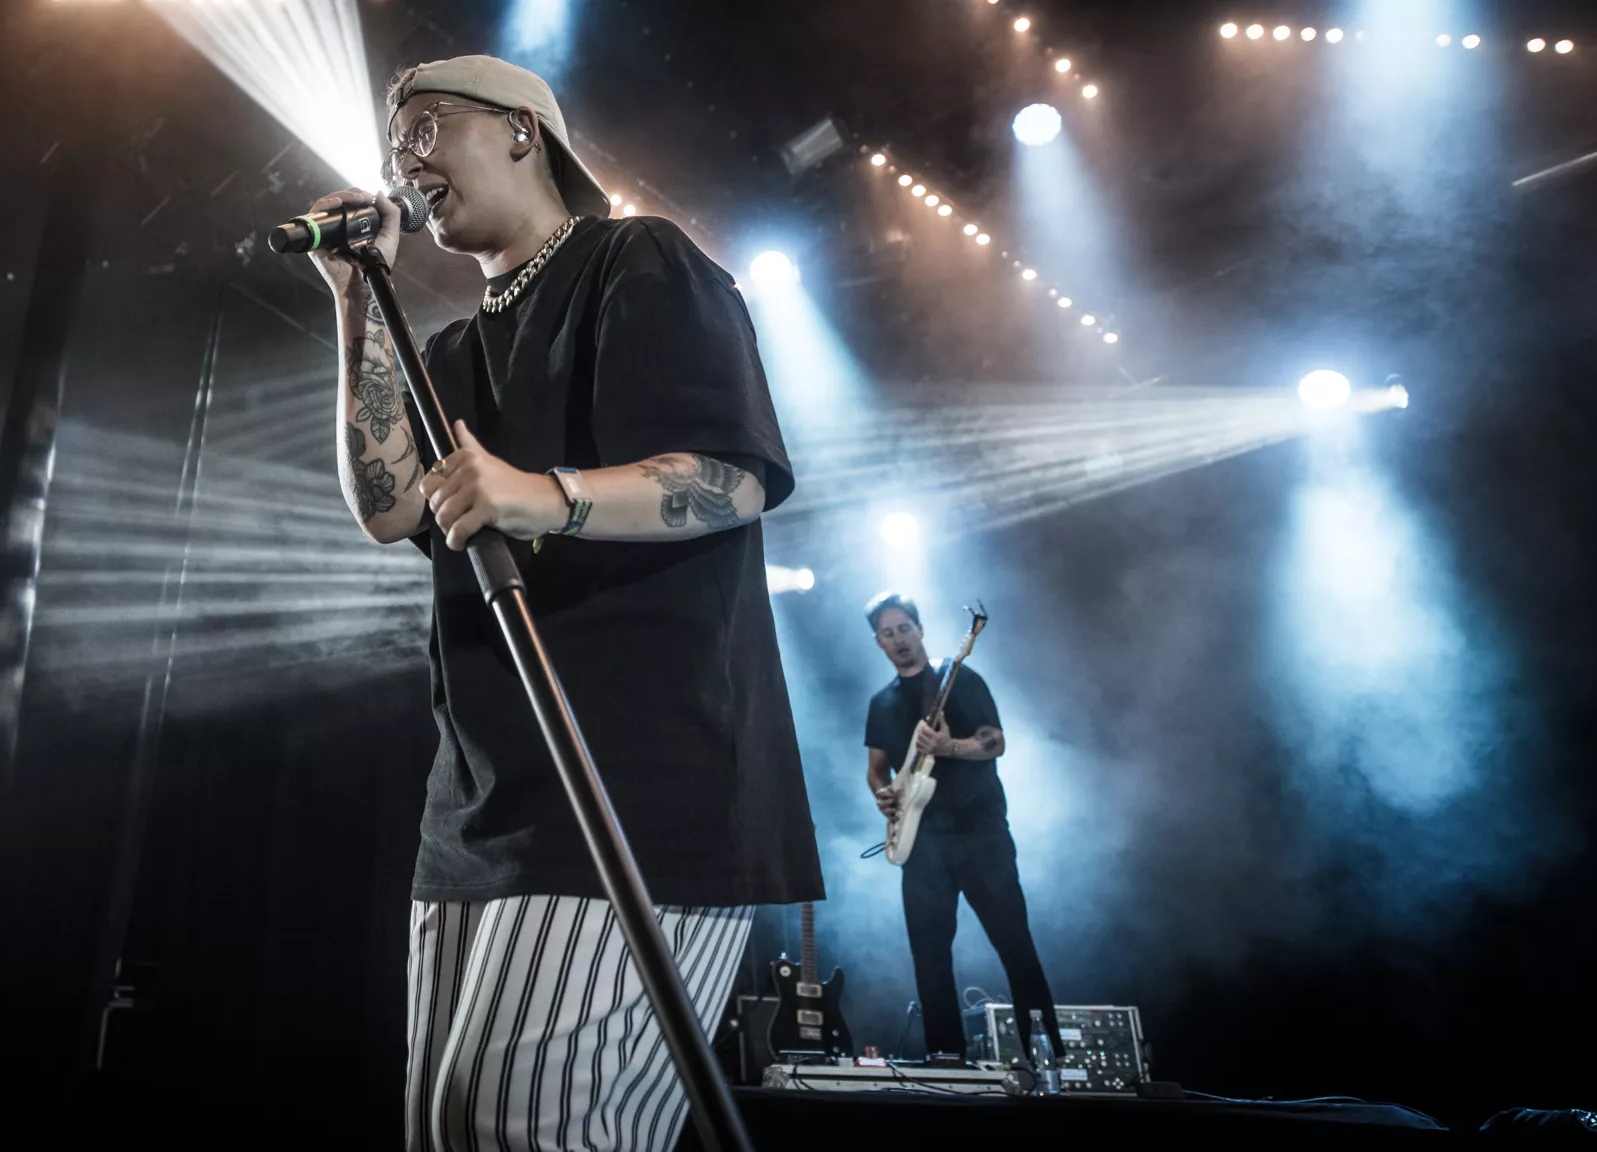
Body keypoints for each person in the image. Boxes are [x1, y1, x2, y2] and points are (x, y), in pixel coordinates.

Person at [304, 56, 822, 1152]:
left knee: (519, 1121)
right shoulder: (447, 350)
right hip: (482, 802)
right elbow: (388, 508)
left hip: (637, 786)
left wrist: (544, 495)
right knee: (447, 1125)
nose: (404, 160)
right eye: (395, 143)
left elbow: (733, 478)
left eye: (427, 129)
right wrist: (355, 299)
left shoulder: (638, 260)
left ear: (521, 132)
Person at [861, 592, 1061, 1066]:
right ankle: (946, 1059)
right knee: (929, 959)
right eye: (888, 633)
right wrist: (884, 794)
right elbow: (876, 768)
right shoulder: (881, 702)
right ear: (878, 642)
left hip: (980, 834)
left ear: (921, 629)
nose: (899, 639)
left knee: (1014, 943)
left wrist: (950, 748)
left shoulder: (959, 678)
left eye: (904, 628)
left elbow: (996, 742)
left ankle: (1046, 1056)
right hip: (922, 843)